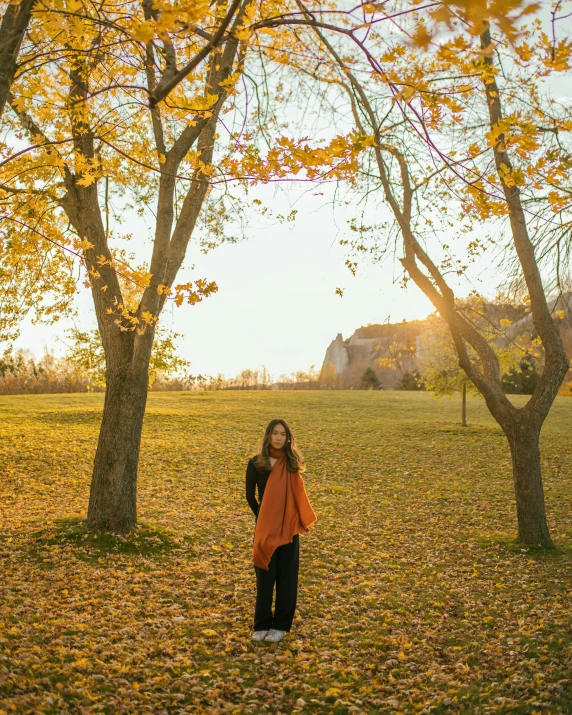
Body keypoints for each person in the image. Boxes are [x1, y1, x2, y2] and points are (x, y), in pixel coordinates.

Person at [245, 418, 317, 643]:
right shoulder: (256, 463)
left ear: (287, 439)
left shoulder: (291, 465)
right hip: (266, 529)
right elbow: (250, 496)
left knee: (287, 577)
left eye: (282, 434)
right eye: (275, 433)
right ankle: (262, 625)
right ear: (268, 435)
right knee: (264, 575)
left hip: (288, 529)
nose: (278, 437)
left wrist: (286, 520)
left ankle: (281, 626)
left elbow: (297, 497)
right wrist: (263, 518)